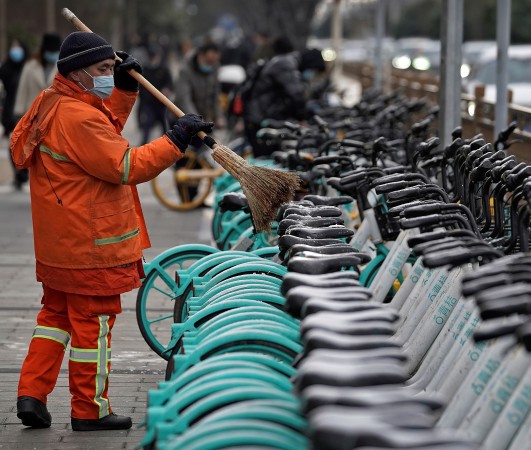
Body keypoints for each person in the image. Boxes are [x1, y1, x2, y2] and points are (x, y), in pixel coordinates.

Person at [10, 31, 213, 432]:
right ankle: (90, 409)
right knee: (94, 327)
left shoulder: (54, 102)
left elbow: (100, 139)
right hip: (90, 245)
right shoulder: (78, 116)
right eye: (103, 70)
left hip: (60, 244)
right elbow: (124, 165)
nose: (109, 75)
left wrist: (121, 92)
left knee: (55, 317)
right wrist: (175, 140)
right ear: (78, 71)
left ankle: (31, 394)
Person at [241, 48, 326, 158]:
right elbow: (296, 94)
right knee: (266, 162)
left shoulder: (285, 62)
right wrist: (303, 117)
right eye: (313, 70)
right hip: (261, 121)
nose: (311, 74)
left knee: (269, 159)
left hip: (259, 118)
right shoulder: (286, 65)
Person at [10, 33, 61, 189]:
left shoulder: (62, 66)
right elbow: (22, 90)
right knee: (29, 149)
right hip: (33, 116)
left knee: (51, 152)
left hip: (55, 116)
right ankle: (29, 178)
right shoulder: (30, 65)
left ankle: (50, 182)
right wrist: (19, 113)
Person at [138, 44, 173, 144]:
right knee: (147, 127)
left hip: (162, 104)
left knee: (165, 128)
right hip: (148, 104)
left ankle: (167, 146)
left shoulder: (164, 69)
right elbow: (140, 89)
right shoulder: (145, 70)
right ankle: (142, 146)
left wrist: (167, 89)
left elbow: (170, 83)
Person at [0, 38, 27, 140]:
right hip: (8, 113)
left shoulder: (28, 68)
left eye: (18, 47)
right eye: (13, 47)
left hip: (23, 114)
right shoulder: (6, 68)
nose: (15, 50)